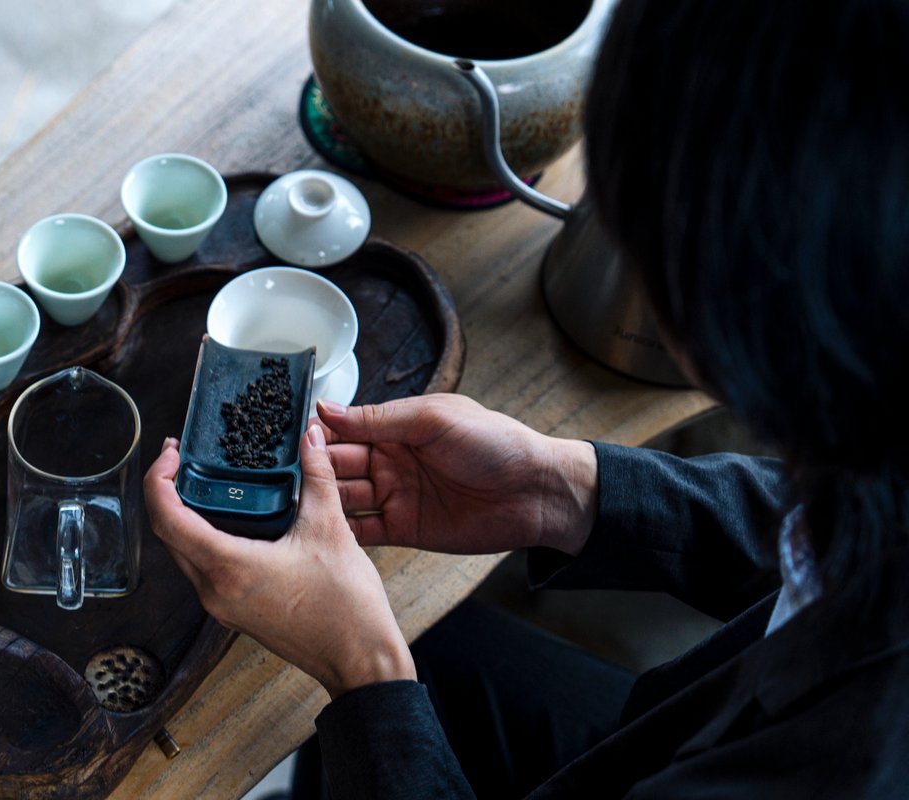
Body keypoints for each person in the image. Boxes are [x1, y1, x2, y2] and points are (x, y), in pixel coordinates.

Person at [144, 0, 909, 796]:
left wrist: (364, 668)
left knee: (392, 682)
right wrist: (566, 489)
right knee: (442, 645)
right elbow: (843, 526)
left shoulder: (848, 764)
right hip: (668, 722)